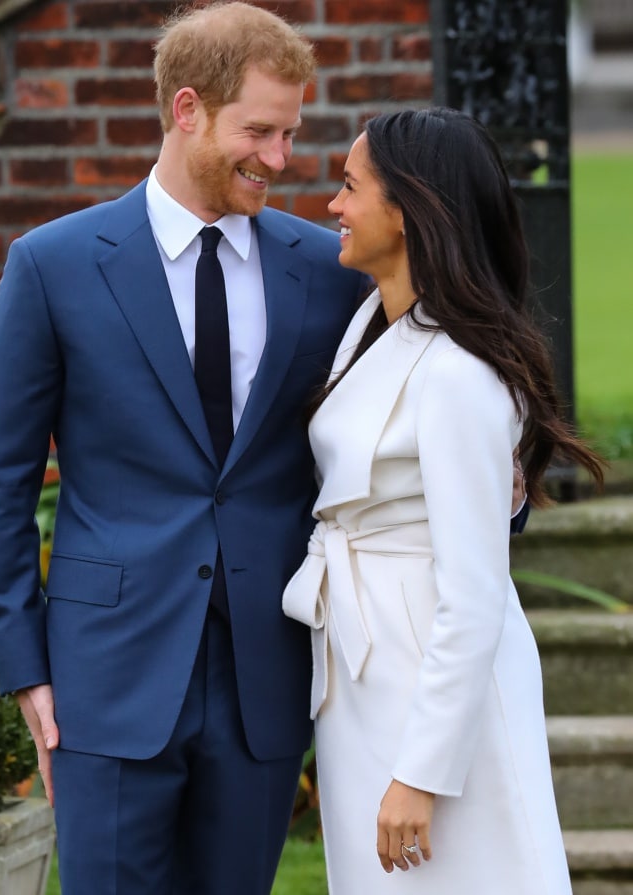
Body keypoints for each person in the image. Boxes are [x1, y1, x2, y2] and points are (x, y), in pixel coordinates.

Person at [0, 4, 368, 894]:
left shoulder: (323, 269)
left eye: (291, 131)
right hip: (104, 675)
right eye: (258, 130)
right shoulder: (54, 265)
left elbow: (383, 426)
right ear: (187, 110)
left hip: (264, 671)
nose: (280, 157)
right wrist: (24, 662)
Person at [282, 107, 604, 894]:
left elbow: (474, 593)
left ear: (409, 208)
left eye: (351, 187)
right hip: (366, 666)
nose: (333, 206)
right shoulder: (368, 322)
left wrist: (422, 774)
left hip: (437, 683)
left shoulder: (461, 374)